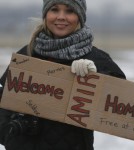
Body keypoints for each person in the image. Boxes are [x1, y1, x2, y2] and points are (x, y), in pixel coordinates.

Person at [0, 0, 126, 150]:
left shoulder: (96, 58)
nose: (61, 16)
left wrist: (96, 77)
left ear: (79, 17)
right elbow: (5, 102)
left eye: (69, 11)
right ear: (46, 15)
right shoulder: (27, 54)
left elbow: (122, 101)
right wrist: (11, 131)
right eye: (54, 9)